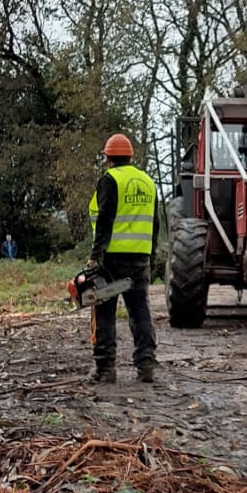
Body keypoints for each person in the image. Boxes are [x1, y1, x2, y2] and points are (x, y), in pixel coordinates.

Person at [87, 132, 158, 385]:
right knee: (140, 311)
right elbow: (155, 224)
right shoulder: (148, 182)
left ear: (107, 158)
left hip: (111, 261)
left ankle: (106, 369)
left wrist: (95, 256)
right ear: (131, 156)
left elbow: (105, 219)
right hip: (139, 259)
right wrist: (152, 256)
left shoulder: (110, 180)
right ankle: (146, 365)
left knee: (104, 311)